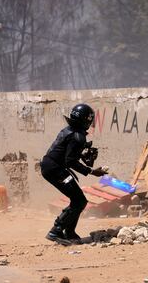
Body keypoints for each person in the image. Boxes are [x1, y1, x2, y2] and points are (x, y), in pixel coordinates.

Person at [41, 103, 107, 245]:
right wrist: (91, 171)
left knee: (78, 200)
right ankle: (56, 230)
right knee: (79, 200)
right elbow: (70, 161)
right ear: (86, 120)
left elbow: (66, 153)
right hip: (55, 169)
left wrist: (83, 155)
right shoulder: (78, 136)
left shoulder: (69, 130)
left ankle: (69, 232)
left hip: (52, 167)